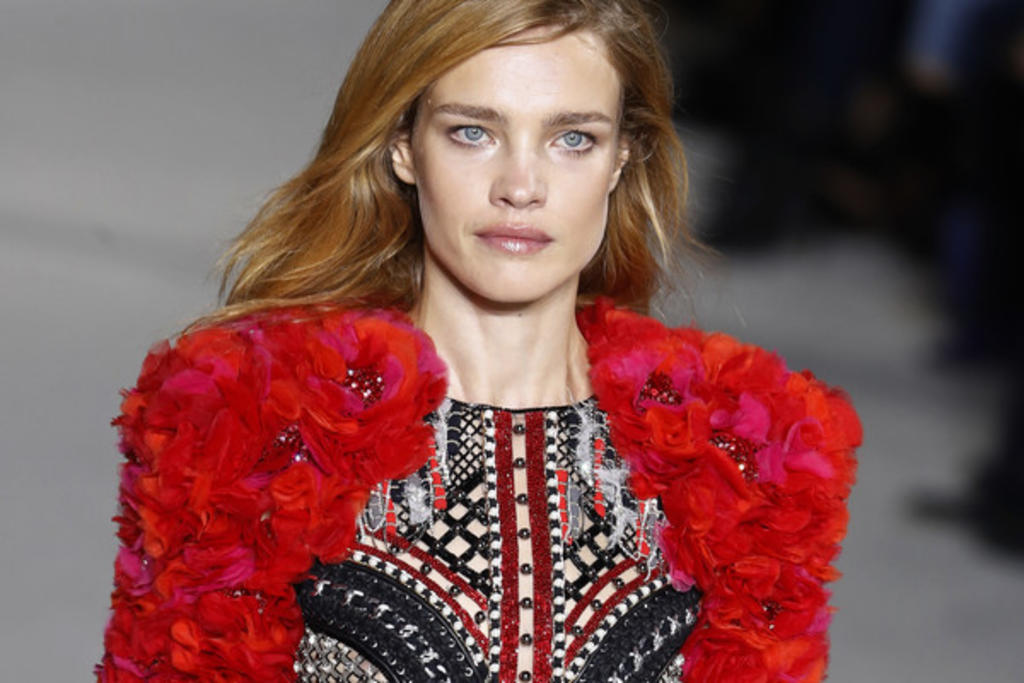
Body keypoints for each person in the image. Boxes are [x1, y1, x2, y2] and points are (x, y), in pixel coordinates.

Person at [96, 1, 860, 681]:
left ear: (622, 157)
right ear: (403, 145)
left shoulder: (746, 446)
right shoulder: (251, 418)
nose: (520, 186)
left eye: (572, 138)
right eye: (473, 132)